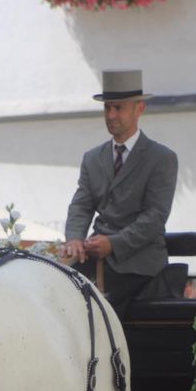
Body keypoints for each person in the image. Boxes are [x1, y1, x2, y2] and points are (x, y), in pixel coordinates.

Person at [61, 69, 179, 315]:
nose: (111, 115)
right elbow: (81, 205)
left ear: (140, 109)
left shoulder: (161, 158)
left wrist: (113, 244)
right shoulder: (93, 158)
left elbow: (155, 217)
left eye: (119, 108)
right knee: (57, 288)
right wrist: (74, 238)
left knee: (89, 309)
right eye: (107, 108)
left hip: (138, 263)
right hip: (96, 257)